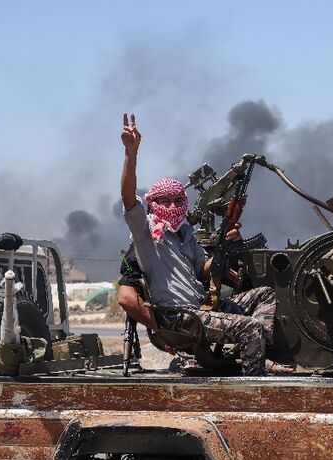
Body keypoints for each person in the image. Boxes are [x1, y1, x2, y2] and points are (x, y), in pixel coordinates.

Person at [119, 113, 281, 375]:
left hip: (201, 309)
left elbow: (204, 270)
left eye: (177, 200)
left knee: (265, 295)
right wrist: (131, 153)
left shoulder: (185, 234)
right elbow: (127, 196)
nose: (172, 206)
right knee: (250, 327)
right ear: (153, 204)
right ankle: (254, 384)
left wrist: (223, 249)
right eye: (164, 201)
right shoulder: (147, 233)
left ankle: (257, 353)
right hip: (178, 317)